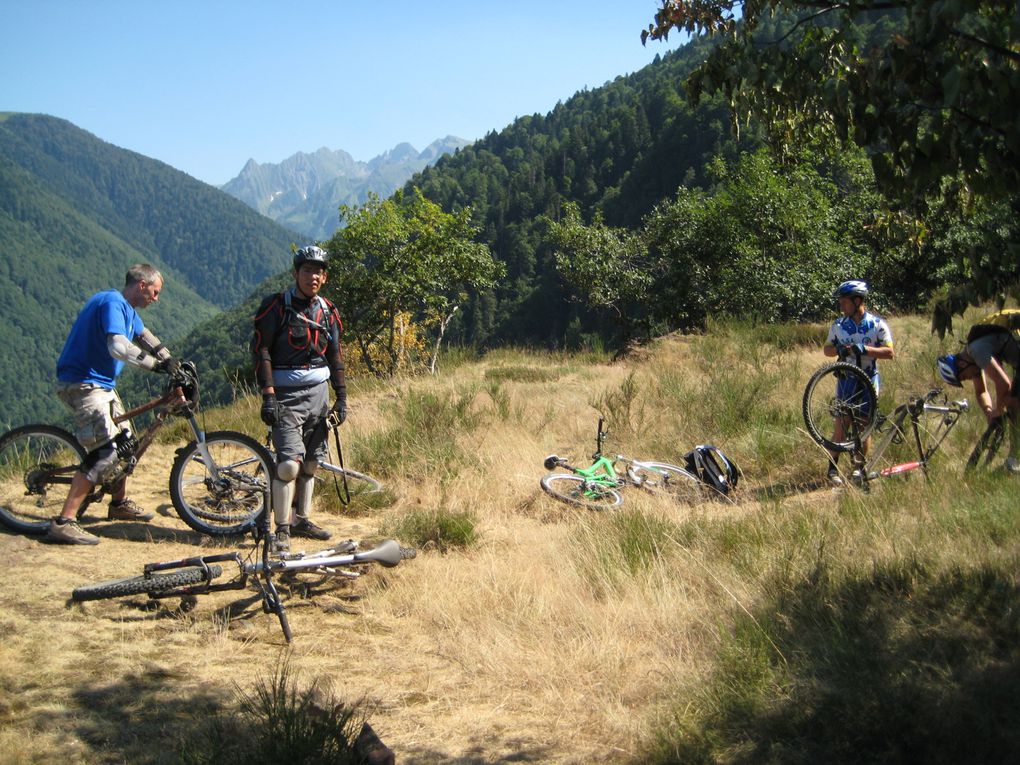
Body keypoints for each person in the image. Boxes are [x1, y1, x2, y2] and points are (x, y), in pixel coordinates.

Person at [48, 264, 181, 545]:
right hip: (83, 384)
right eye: (155, 292)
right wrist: (156, 366)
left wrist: (171, 361)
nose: (156, 299)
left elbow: (146, 337)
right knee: (106, 452)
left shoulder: (128, 311)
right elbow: (118, 347)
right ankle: (64, 522)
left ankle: (118, 503)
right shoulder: (112, 302)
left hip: (102, 385)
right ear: (141, 285)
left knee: (127, 444)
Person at [252, 245, 347, 552]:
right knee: (288, 467)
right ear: (295, 274)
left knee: (311, 463)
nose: (313, 276)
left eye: (318, 271)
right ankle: (281, 530)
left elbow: (335, 354)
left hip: (319, 396)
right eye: (306, 270)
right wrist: (268, 396)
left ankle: (301, 519)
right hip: (285, 397)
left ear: (325, 276)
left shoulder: (328, 311)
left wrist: (341, 397)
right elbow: (261, 350)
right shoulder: (276, 307)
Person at [823, 280, 895, 486]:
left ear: (857, 301)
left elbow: (890, 352)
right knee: (842, 423)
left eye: (844, 302)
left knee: (864, 425)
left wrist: (865, 350)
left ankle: (859, 468)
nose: (841, 306)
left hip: (869, 379)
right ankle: (832, 468)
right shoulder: (838, 325)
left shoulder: (877, 324)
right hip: (846, 380)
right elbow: (826, 349)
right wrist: (841, 350)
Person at [936, 308, 1020, 474]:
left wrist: (999, 409)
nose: (968, 379)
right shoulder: (971, 359)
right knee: (1014, 405)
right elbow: (981, 391)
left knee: (1012, 403)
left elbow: (1004, 385)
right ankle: (1014, 460)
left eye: (963, 377)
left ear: (961, 365)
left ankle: (1014, 460)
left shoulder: (976, 351)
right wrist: (989, 412)